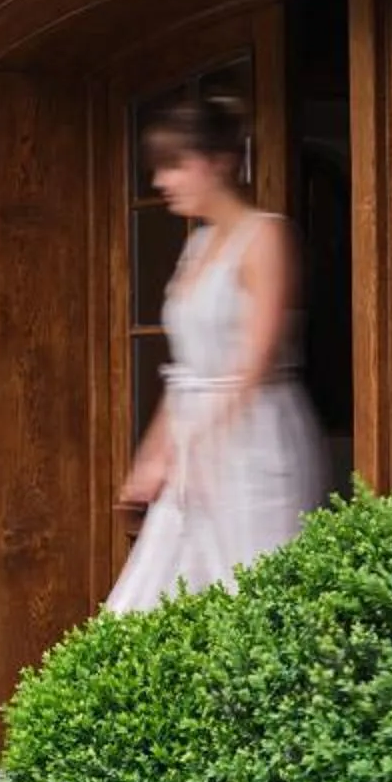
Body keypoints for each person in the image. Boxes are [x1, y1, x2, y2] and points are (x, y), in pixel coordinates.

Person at [107, 94, 326, 614]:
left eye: (175, 164)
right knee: (153, 598)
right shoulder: (196, 247)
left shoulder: (267, 235)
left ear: (220, 162)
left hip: (258, 438)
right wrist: (154, 453)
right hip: (193, 438)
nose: (162, 181)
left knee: (254, 590)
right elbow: (186, 372)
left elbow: (255, 358)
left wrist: (200, 441)